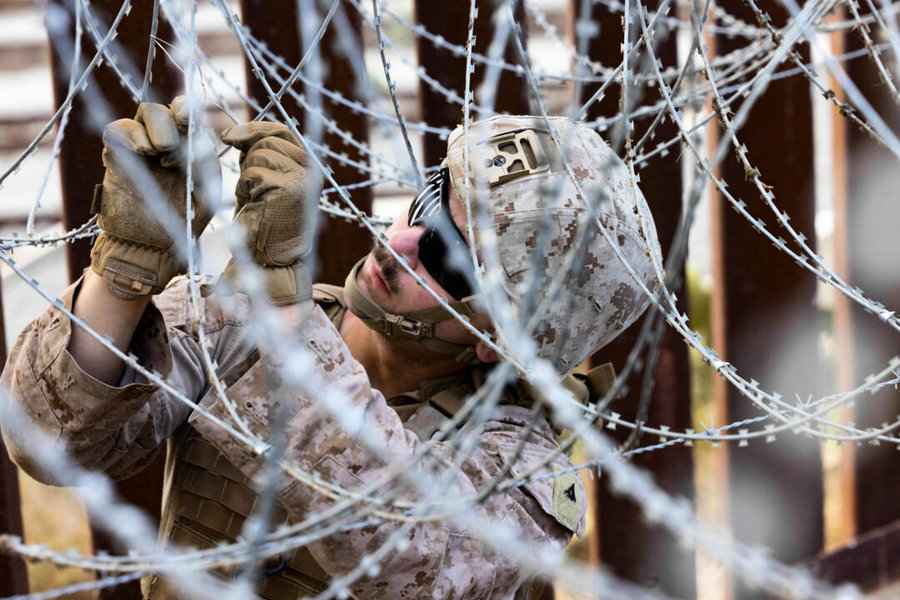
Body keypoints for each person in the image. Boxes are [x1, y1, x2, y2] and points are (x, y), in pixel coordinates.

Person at [0, 98, 662, 599]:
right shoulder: (241, 323)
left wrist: (282, 316)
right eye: (430, 202)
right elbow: (51, 443)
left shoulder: (525, 467)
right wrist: (125, 272)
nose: (400, 243)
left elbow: (408, 561)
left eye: (451, 258)